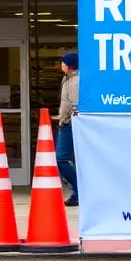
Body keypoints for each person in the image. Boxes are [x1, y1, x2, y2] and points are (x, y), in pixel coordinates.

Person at [56, 52, 80, 206]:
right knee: (67, 158)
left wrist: (64, 118)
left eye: (63, 62)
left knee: (61, 158)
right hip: (66, 122)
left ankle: (79, 189)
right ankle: (78, 190)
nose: (61, 65)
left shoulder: (75, 81)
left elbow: (74, 103)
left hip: (70, 123)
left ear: (69, 65)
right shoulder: (67, 79)